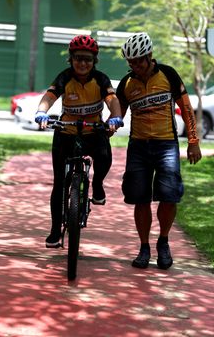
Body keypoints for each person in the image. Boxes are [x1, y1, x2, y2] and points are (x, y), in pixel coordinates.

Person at [116, 32, 202, 270]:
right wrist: (107, 130)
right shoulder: (127, 83)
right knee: (139, 199)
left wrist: (193, 141)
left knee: (169, 195)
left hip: (166, 145)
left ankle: (163, 241)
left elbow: (186, 108)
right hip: (138, 147)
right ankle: (144, 247)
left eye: (139, 61)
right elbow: (118, 116)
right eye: (131, 62)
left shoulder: (169, 75)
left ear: (150, 56)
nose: (135, 66)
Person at [35, 35, 123, 248]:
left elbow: (112, 100)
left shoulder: (100, 79)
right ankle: (56, 230)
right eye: (78, 58)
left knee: (104, 158)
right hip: (66, 133)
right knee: (59, 184)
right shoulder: (64, 77)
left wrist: (115, 116)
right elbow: (49, 96)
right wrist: (41, 112)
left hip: (94, 132)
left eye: (88, 59)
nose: (83, 63)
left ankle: (98, 184)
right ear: (71, 59)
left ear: (95, 61)